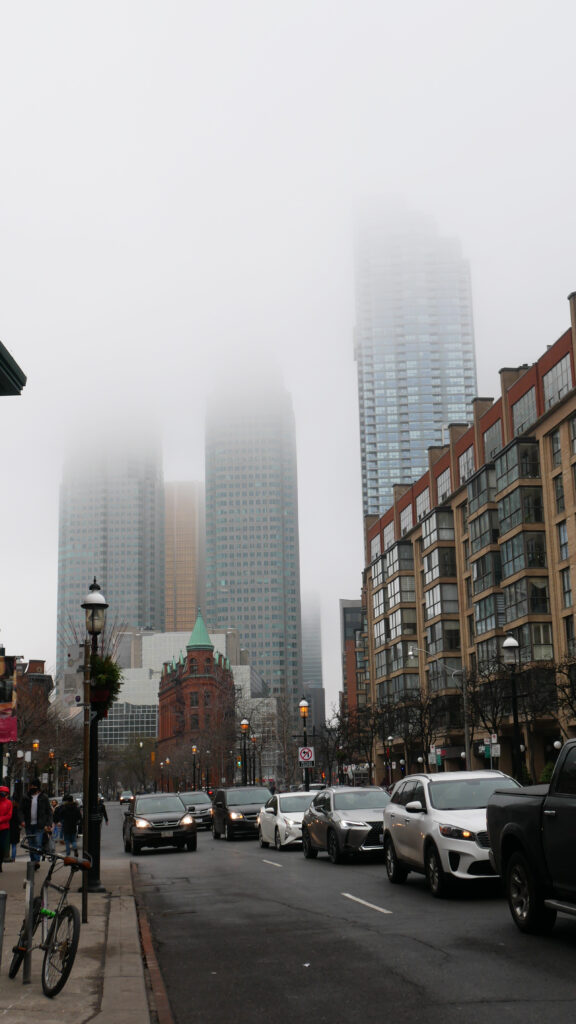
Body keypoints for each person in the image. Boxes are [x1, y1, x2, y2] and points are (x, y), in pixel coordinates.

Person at [20, 778, 53, 862]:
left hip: (39, 825)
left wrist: (48, 823)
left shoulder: (43, 797)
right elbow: (20, 810)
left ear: (38, 787)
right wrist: (22, 820)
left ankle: (36, 861)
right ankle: (33, 860)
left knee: (38, 843)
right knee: (31, 844)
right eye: (31, 786)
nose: (32, 787)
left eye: (34, 786)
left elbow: (49, 811)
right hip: (29, 825)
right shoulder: (26, 797)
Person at [0, 786, 13, 870]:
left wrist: (0, 819)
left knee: (1, 846)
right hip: (4, 826)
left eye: (5, 793)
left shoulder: (8, 803)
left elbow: (9, 815)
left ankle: (0, 862)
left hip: (4, 827)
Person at [9, 797, 20, 862]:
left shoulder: (9, 810)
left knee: (7, 845)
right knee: (14, 845)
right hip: (15, 829)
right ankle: (13, 859)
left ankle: (6, 857)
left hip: (8, 828)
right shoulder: (17, 810)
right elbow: (19, 820)